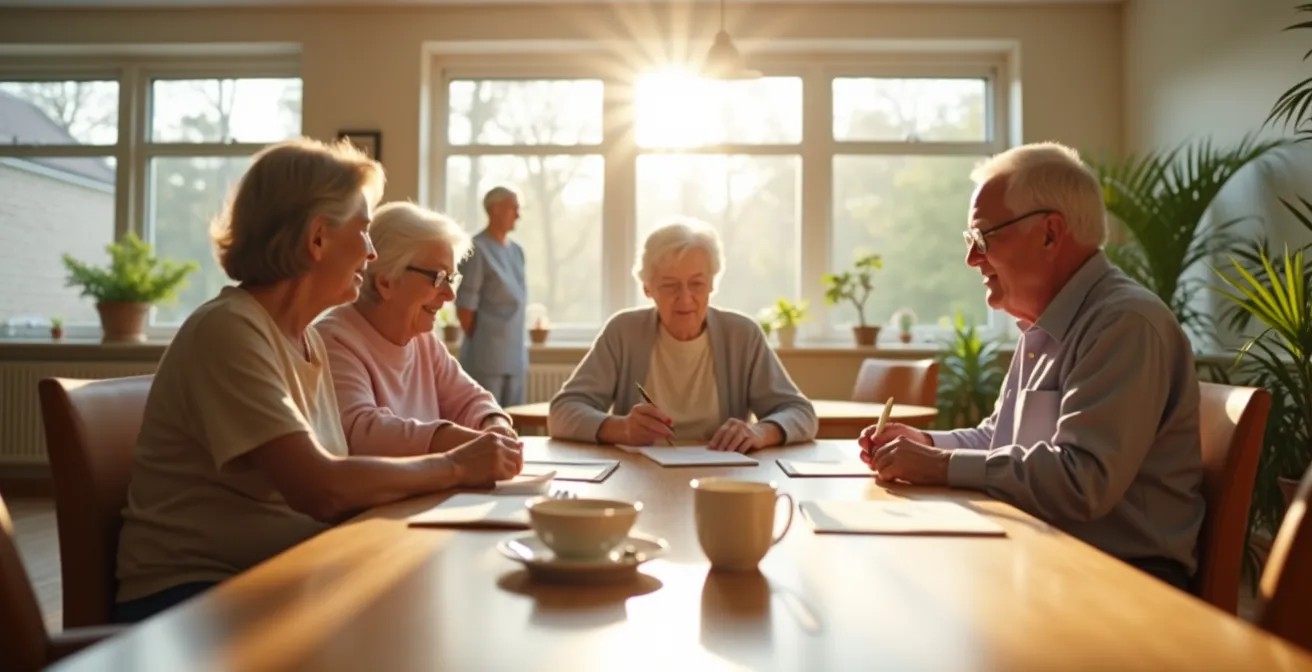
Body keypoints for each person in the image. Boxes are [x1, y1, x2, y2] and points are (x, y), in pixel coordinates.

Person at [113, 139, 523, 624]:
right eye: (365, 232)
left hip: (280, 573)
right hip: (194, 601)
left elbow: (339, 472)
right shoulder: (229, 329)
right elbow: (321, 488)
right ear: (317, 239)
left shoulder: (303, 339)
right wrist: (455, 465)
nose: (371, 255)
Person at [857, 142, 1204, 590]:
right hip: (1051, 554)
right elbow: (997, 438)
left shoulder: (1124, 323)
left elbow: (1084, 480)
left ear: (1049, 233)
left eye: (982, 237)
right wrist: (923, 442)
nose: (971, 258)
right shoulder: (1048, 323)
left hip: (1123, 581)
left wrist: (940, 464)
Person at [548, 218, 817, 452]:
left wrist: (760, 432)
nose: (685, 298)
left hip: (721, 478)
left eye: (697, 284)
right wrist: (621, 429)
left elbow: (801, 414)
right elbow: (562, 412)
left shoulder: (742, 335)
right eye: (669, 285)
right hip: (640, 476)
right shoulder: (624, 332)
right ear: (647, 288)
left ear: (712, 283)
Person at [317, 201, 517, 457]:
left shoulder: (424, 341)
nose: (449, 295)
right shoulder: (333, 340)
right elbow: (362, 432)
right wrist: (465, 442)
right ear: (386, 281)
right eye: (438, 278)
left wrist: (495, 425)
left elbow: (471, 400)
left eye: (452, 279)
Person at [455, 186, 528, 406]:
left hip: (514, 357)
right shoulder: (476, 249)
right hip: (486, 358)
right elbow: (465, 309)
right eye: (513, 208)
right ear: (495, 209)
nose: (518, 215)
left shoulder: (516, 251)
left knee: (515, 423)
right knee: (486, 421)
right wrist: (488, 342)